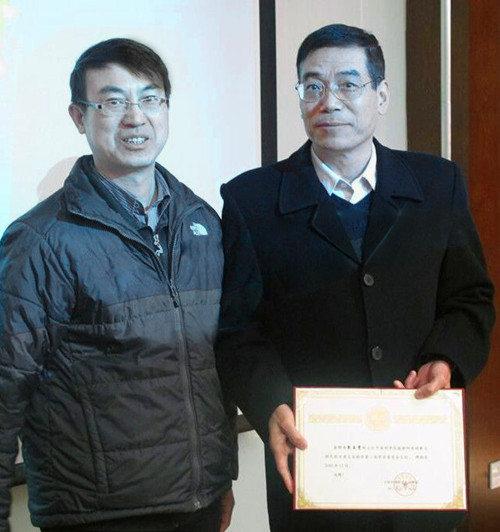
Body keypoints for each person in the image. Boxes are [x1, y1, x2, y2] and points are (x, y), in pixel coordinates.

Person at [216, 23, 494, 532]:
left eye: (348, 84)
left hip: (418, 458)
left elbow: (470, 297)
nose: (329, 102)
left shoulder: (438, 183)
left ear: (381, 95)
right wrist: (270, 403)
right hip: (316, 467)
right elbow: (238, 330)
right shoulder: (250, 200)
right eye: (313, 86)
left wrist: (446, 359)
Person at [0, 38, 236, 532]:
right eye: (112, 102)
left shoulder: (202, 221)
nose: (135, 118)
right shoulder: (40, 241)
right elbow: (4, 388)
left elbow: (211, 366)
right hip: (99, 516)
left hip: (200, 504)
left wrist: (220, 479)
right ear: (78, 116)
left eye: (150, 99)